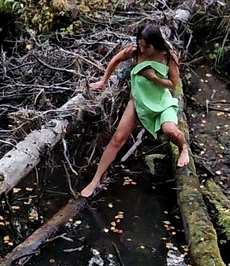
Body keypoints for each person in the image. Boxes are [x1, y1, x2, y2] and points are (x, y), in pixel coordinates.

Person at [80, 24, 191, 198]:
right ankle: (95, 180)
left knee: (169, 130)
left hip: (161, 102)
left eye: (146, 46)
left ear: (156, 44)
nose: (142, 49)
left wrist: (153, 77)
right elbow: (116, 59)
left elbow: (173, 84)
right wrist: (103, 81)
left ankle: (183, 148)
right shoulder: (135, 51)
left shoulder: (167, 56)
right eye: (140, 45)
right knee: (117, 139)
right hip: (138, 102)